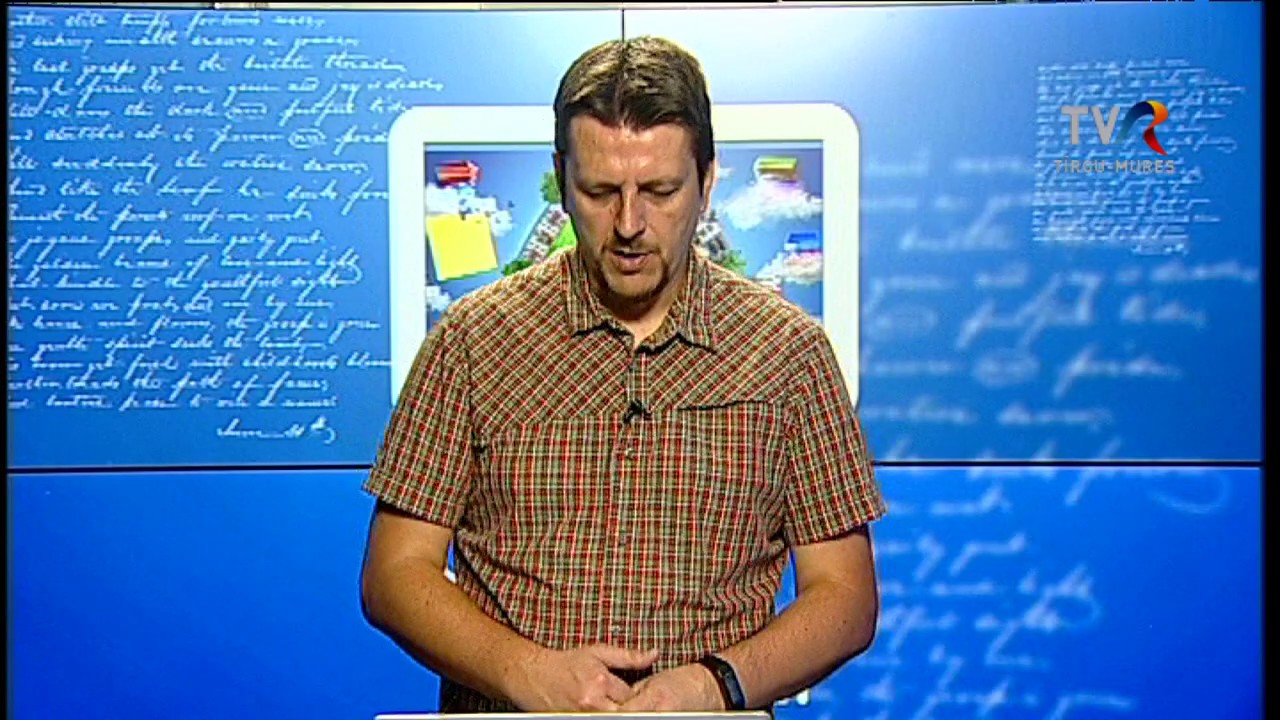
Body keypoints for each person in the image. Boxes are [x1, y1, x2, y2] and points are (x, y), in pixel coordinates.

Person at [360, 35, 887, 714]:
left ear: (707, 180)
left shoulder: (788, 353)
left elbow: (845, 597)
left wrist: (714, 685)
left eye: (660, 191)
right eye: (600, 191)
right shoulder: (472, 342)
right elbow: (395, 573)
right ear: (561, 177)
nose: (630, 223)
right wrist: (524, 672)